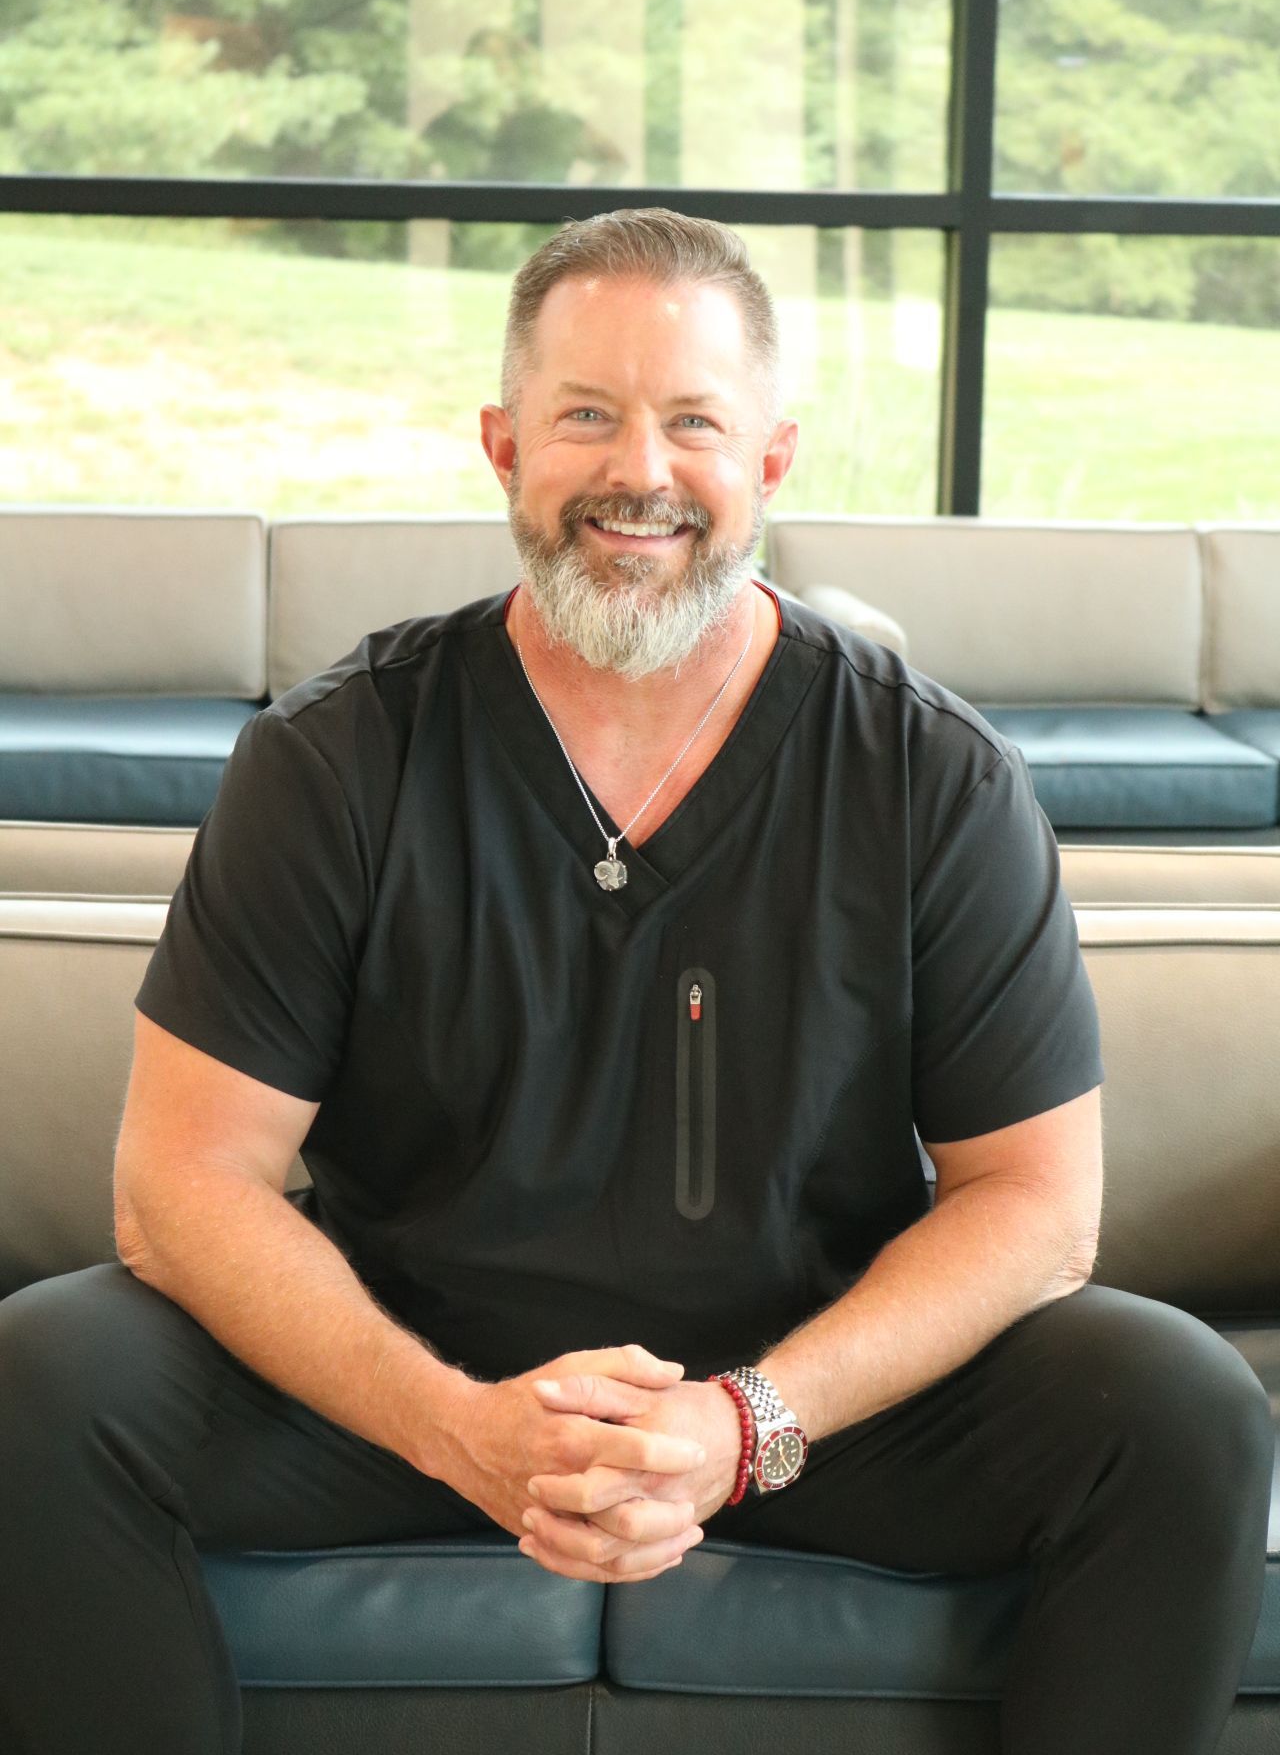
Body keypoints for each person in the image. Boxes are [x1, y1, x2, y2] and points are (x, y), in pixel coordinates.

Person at [0, 208, 1271, 1755]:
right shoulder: (337, 755)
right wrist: (460, 1431)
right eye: (587, 417)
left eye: (695, 423)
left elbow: (1038, 1204)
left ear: (773, 460)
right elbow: (183, 1184)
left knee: (1177, 1407)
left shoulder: (929, 770)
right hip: (408, 1387)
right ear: (504, 446)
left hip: (807, 1406)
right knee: (45, 1376)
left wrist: (742, 1424)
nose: (641, 472)